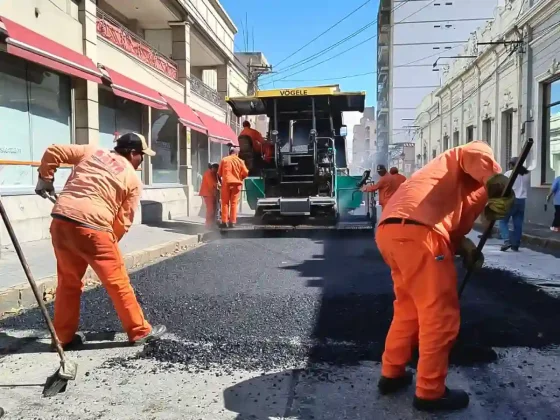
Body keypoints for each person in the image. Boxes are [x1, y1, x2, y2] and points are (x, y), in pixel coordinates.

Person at [375, 141, 513, 412]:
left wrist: (466, 247)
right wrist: (497, 182)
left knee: (408, 309)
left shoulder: (442, 180)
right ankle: (429, 391)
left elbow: (452, 226)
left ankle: (392, 373)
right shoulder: (466, 154)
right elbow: (473, 156)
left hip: (391, 232)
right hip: (419, 233)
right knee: (438, 315)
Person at [35, 132, 166, 349]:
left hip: (61, 222)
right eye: (141, 155)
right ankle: (139, 331)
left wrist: (45, 178)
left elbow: (54, 150)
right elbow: (123, 221)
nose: (141, 160)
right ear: (133, 153)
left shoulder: (92, 151)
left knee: (68, 282)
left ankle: (62, 338)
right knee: (118, 283)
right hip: (94, 228)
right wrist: (108, 243)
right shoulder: (132, 179)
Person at [499, 157, 530, 251]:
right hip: (522, 201)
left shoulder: (508, 174)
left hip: (511, 200)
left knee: (502, 221)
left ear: (512, 165)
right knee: (518, 223)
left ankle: (507, 241)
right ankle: (516, 244)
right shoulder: (526, 175)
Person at [218, 147, 249, 228]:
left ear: (229, 152)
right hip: (237, 184)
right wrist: (240, 178)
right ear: (236, 153)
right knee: (234, 203)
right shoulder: (240, 161)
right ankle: (232, 222)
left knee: (225, 203)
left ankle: (224, 221)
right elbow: (246, 173)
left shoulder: (224, 160)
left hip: (226, 184)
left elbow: (219, 173)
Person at [199, 163, 220, 228]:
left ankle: (212, 223)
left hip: (212, 194)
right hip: (208, 194)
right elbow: (212, 184)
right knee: (210, 210)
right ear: (214, 168)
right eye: (217, 169)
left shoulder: (214, 173)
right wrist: (219, 186)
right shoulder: (209, 174)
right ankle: (208, 224)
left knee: (213, 210)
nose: (217, 171)